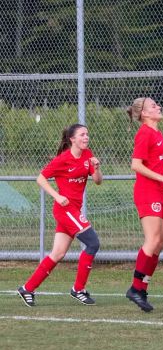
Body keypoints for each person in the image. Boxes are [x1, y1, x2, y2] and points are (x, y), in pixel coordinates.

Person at [17, 124, 103, 307]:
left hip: (74, 211)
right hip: (65, 209)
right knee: (93, 243)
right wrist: (57, 196)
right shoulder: (62, 159)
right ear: (72, 139)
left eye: (87, 134)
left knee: (58, 253)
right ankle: (78, 289)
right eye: (82, 135)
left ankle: (27, 288)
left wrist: (97, 167)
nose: (86, 137)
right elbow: (40, 178)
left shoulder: (88, 155)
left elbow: (97, 181)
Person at [125, 97, 163, 312]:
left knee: (160, 242)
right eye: (154, 106)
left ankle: (142, 287)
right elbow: (135, 165)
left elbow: (153, 163)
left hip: (156, 190)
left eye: (158, 104)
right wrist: (162, 178)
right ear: (144, 114)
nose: (159, 107)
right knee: (152, 239)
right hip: (146, 192)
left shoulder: (157, 133)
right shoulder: (144, 133)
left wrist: (161, 183)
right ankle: (135, 289)